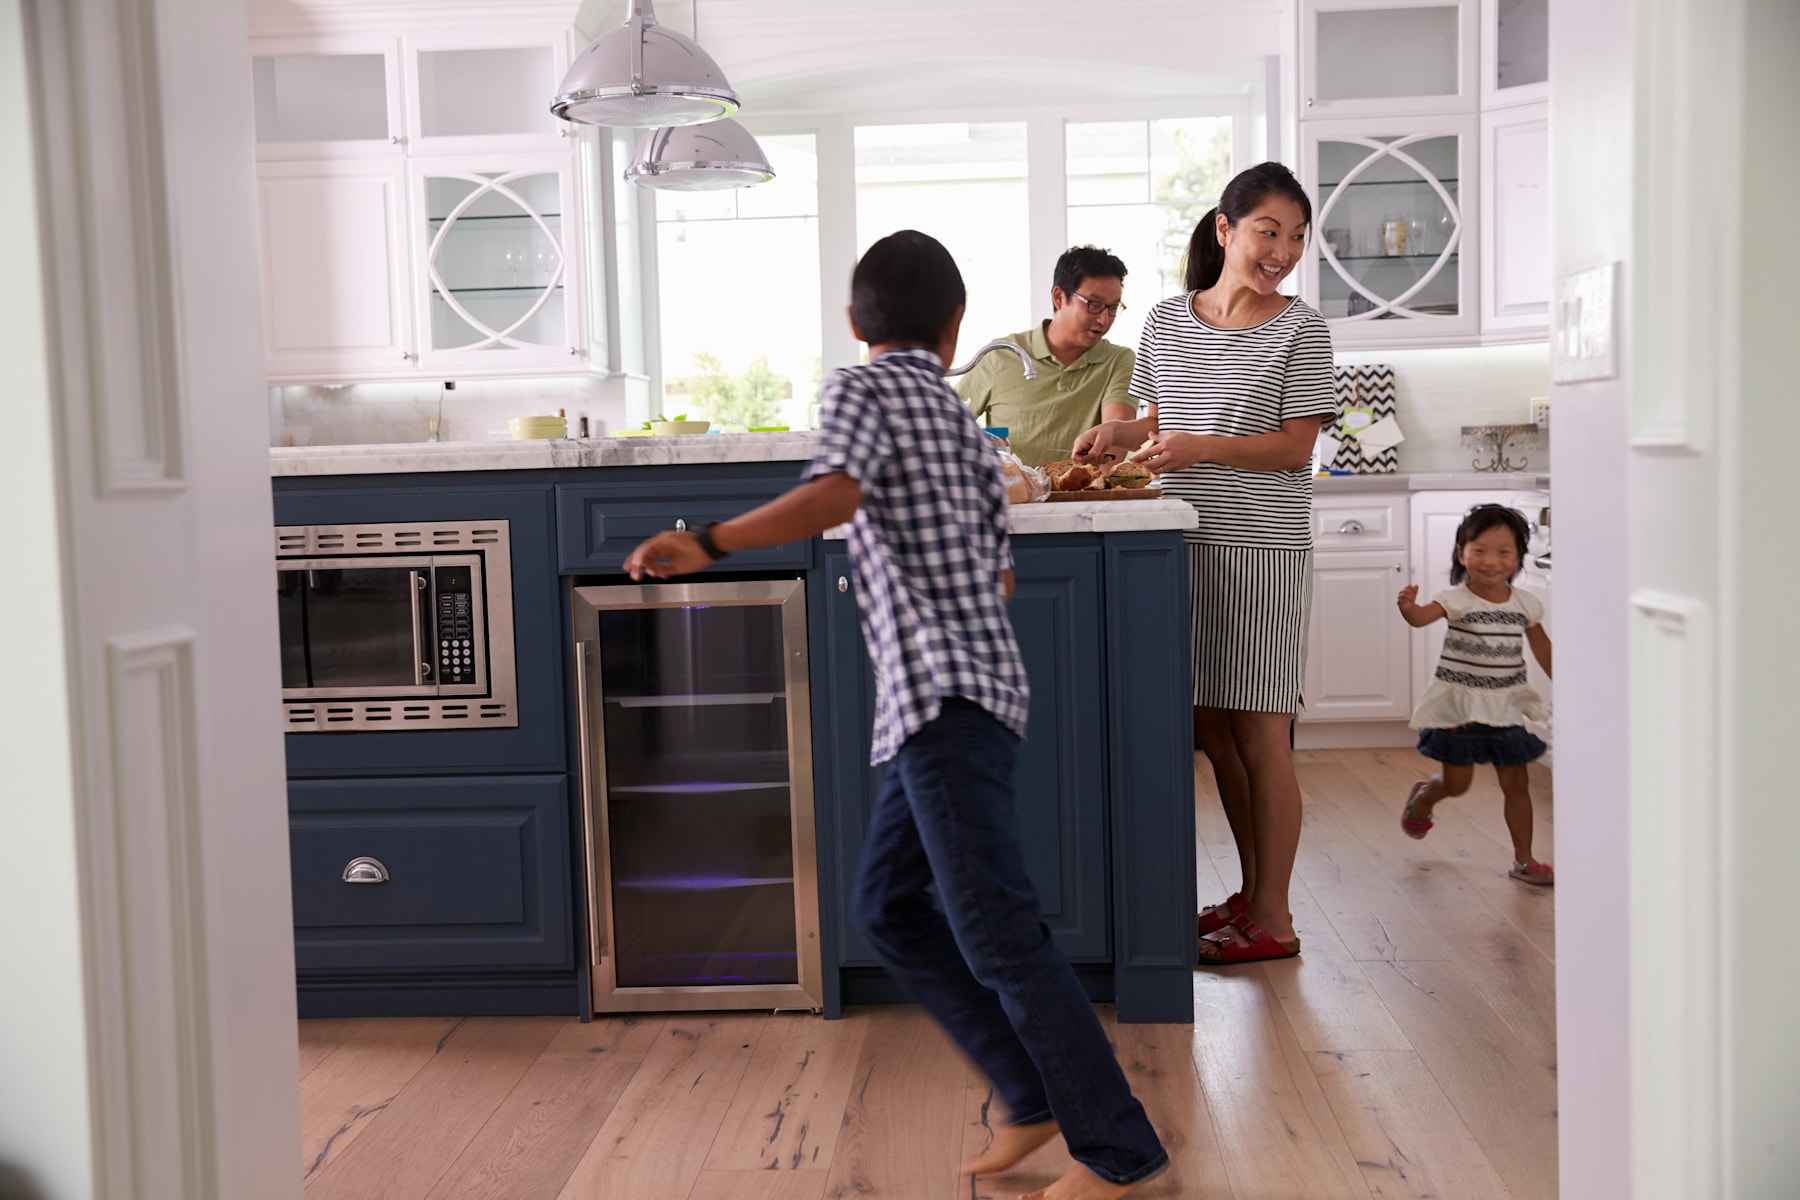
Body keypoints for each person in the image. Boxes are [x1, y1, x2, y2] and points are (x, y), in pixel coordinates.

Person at [624, 230, 1169, 1200]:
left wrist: (704, 541)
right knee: (888, 909)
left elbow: (836, 491)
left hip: (940, 700)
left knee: (999, 932)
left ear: (852, 324)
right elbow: (997, 577)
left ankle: (1121, 1155)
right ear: (956, 329)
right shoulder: (965, 426)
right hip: (975, 695)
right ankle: (1029, 1096)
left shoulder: (860, 390)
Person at [1072, 162, 1335, 966]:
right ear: (1225, 230)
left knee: (1261, 729)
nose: (1283, 251)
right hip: (1181, 539)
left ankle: (1278, 919)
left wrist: (1198, 447)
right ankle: (1254, 897)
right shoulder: (1164, 321)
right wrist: (1117, 437)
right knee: (1212, 727)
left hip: (1262, 548)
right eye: (1268, 232)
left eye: (1295, 237)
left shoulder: (1302, 327)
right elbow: (1160, 420)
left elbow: (1296, 447)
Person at [1395, 504, 1555, 885]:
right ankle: (1423, 799)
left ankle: (1524, 861)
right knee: (1457, 785)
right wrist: (1408, 608)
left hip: (1506, 708)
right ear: (1461, 552)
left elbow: (1543, 648)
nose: (1491, 561)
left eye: (1504, 552)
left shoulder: (1524, 604)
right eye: (1479, 550)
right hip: (1460, 711)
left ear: (1518, 557)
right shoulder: (1455, 599)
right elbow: (1420, 619)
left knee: (1517, 784)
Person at [958, 245, 1138, 467]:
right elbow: (947, 426)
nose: (1104, 319)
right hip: (1015, 498)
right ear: (1059, 297)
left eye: (1112, 307)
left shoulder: (1118, 360)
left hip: (1085, 497)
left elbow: (1116, 436)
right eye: (1094, 305)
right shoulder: (1000, 355)